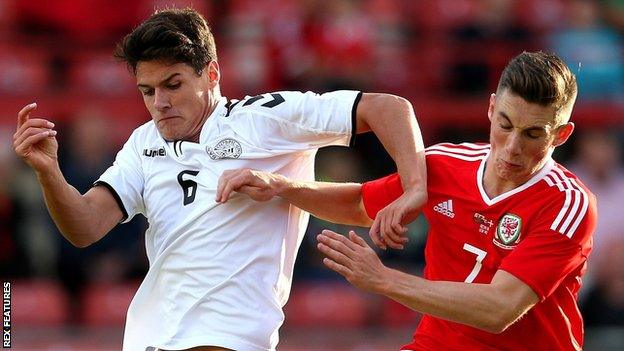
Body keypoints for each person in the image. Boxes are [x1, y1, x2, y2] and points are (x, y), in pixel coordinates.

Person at [11, 8, 427, 351]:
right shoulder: (142, 143)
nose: (160, 103)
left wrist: (414, 188)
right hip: (148, 339)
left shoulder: (266, 117)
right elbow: (84, 227)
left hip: (231, 339)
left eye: (173, 85)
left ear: (211, 74)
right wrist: (49, 173)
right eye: (147, 91)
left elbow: (390, 108)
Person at [217, 51, 598, 350]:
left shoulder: (568, 205)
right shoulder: (445, 165)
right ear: (490, 107)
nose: (512, 147)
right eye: (505, 124)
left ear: (561, 135)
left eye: (533, 134)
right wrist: (282, 186)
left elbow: (499, 308)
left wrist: (383, 280)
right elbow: (359, 204)